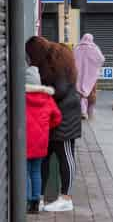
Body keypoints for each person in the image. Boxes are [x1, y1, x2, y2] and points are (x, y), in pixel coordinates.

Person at [26, 37, 82, 212]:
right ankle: (40, 198)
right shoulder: (56, 55)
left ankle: (66, 198)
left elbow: (61, 89)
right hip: (53, 116)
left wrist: (40, 91)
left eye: (29, 55)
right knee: (44, 158)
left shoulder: (56, 60)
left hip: (65, 117)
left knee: (65, 155)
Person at [25, 66, 62, 214]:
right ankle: (35, 201)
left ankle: (26, 201)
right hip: (41, 142)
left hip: (24, 142)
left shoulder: (20, 97)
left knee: (25, 171)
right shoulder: (47, 98)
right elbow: (57, 117)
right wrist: (46, 126)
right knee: (36, 171)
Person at [73, 34, 105, 119]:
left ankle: (81, 111)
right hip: (91, 77)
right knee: (91, 93)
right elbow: (101, 59)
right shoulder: (94, 48)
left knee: (79, 92)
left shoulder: (76, 48)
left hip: (78, 75)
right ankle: (89, 111)